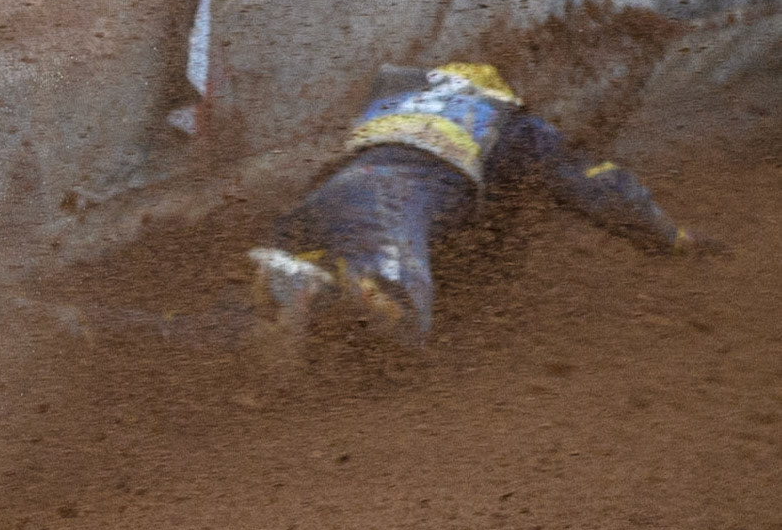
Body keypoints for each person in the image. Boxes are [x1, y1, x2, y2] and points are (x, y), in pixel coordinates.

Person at [248, 61, 707, 346]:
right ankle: (315, 286)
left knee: (258, 321)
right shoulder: (507, 123)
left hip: (325, 198)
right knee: (403, 323)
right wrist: (670, 238)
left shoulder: (396, 106)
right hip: (387, 206)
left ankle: (225, 315)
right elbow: (601, 187)